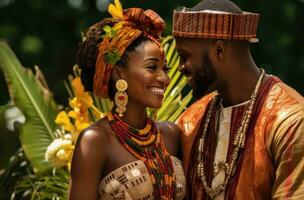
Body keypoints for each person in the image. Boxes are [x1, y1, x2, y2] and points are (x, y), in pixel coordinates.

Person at [173, 0, 304, 199]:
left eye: (185, 56)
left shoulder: (291, 120)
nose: (181, 67)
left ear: (219, 50)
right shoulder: (189, 122)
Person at [69, 1, 186, 199]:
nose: (165, 79)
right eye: (152, 67)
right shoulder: (95, 141)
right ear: (118, 73)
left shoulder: (171, 134)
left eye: (164, 69)